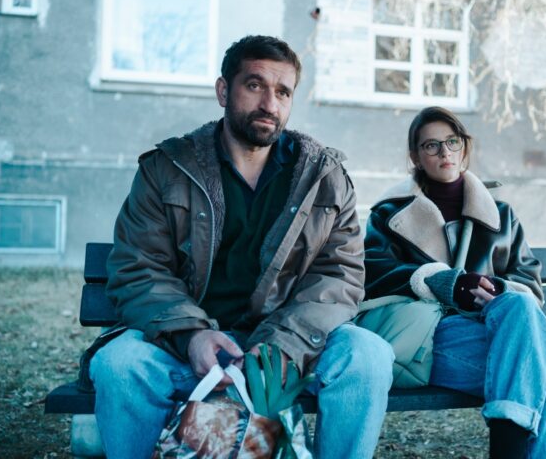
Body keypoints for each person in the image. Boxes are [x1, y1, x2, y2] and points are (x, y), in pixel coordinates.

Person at [89, 35, 394, 459]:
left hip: (290, 350)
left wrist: (284, 345)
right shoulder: (167, 169)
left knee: (368, 355)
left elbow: (338, 275)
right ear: (223, 91)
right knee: (119, 365)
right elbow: (139, 267)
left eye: (283, 92)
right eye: (254, 85)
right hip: (186, 348)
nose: (270, 103)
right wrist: (192, 336)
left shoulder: (324, 177)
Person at [363, 106, 546, 458]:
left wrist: (495, 292)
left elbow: (529, 287)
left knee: (520, 306)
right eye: (431, 145)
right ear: (415, 157)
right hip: (427, 338)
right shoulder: (389, 213)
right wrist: (441, 281)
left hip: (497, 332)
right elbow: (372, 273)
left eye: (452, 141)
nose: (444, 152)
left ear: (464, 147)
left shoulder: (501, 216)